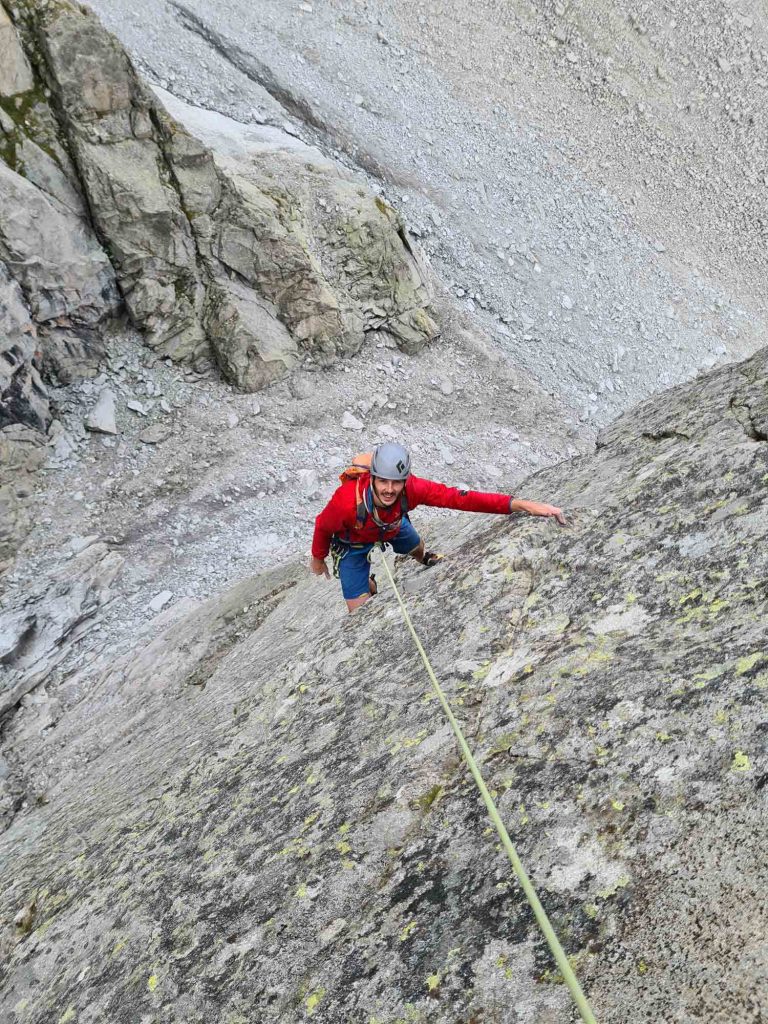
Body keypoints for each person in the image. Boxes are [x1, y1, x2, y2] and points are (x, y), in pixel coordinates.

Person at [310, 442, 566, 613]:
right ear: (372, 478)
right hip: (351, 543)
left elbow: (460, 498)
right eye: (383, 482)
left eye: (396, 483)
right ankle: (369, 584)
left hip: (391, 526)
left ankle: (424, 558)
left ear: (405, 480)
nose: (390, 489)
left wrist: (519, 504)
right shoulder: (346, 502)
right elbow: (322, 525)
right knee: (360, 613)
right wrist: (318, 559)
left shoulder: (413, 488)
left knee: (416, 545)